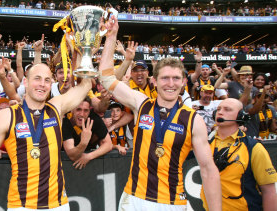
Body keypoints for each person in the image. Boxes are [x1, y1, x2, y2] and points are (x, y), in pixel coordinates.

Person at [98, 16, 221, 210]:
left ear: (183, 82)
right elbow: (105, 78)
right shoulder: (141, 103)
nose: (170, 84)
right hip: (135, 199)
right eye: (164, 78)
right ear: (154, 81)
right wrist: (111, 37)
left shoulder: (193, 120)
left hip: (173, 202)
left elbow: (208, 170)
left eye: (175, 78)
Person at [0, 59, 92, 210]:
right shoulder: (6, 116)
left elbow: (86, 85)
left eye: (47, 80)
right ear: (25, 82)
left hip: (58, 205)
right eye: (37, 79)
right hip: (22, 206)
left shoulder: (56, 108)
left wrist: (81, 53)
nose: (42, 84)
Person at [201, 98, 277, 210]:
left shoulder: (254, 148)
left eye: (227, 109)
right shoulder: (205, 144)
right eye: (218, 109)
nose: (220, 112)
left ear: (241, 116)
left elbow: (269, 191)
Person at [62, 97, 112, 169]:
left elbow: (108, 144)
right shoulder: (65, 121)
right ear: (72, 110)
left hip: (91, 166)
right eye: (78, 109)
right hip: (66, 166)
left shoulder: (94, 119)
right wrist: (84, 142)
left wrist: (89, 156)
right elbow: (72, 155)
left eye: (86, 110)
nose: (82, 114)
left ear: (89, 111)